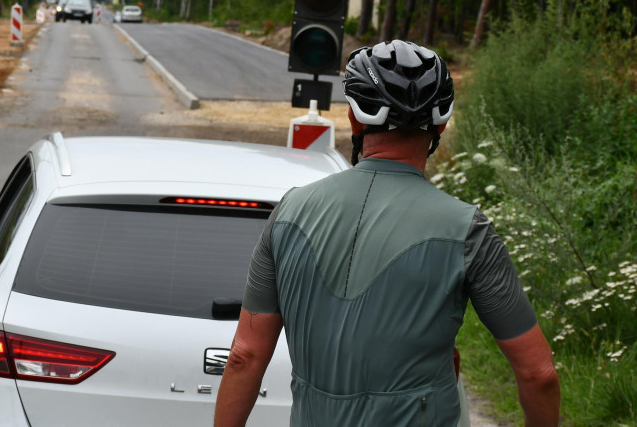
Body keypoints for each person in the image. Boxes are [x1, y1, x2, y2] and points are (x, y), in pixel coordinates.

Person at [214, 40, 559, 426]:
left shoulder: (290, 211)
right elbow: (538, 373)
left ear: (354, 120)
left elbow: (245, 356)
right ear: (441, 125)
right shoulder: (467, 230)